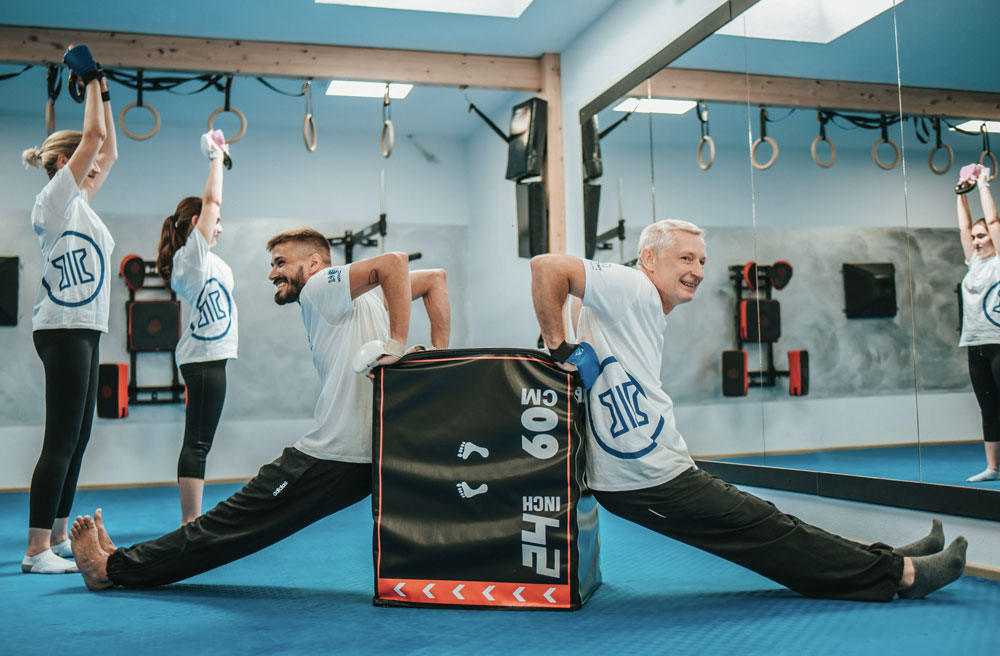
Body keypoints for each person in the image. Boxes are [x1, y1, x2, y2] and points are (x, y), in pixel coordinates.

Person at [529, 219, 967, 601]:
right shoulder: (634, 286)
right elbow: (547, 268)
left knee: (766, 525)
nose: (697, 271)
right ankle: (901, 576)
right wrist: (560, 347)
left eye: (701, 261)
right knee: (764, 529)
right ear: (649, 258)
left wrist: (568, 343)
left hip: (649, 467)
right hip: (643, 476)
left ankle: (881, 560)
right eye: (685, 259)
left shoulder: (637, 300)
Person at [69, 228, 450, 590]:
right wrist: (436, 358)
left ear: (314, 263)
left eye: (281, 262)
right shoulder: (367, 297)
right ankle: (123, 560)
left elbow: (395, 262)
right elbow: (436, 280)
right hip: (371, 455)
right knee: (233, 524)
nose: (273, 273)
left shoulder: (321, 286)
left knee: (228, 523)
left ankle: (109, 569)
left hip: (337, 452)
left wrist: (398, 345)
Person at [20, 45, 117, 574]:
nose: (98, 168)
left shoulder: (81, 205)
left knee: (78, 437)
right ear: (65, 164)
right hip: (63, 328)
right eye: (87, 163)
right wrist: (89, 76)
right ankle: (36, 550)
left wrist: (102, 90)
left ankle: (55, 540)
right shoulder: (54, 202)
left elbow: (111, 150)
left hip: (87, 327)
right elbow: (97, 140)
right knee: (61, 436)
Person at [155, 130, 238, 524]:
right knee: (199, 442)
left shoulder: (207, 261)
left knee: (202, 441)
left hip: (211, 359)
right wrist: (216, 157)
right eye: (215, 222)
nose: (219, 227)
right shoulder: (191, 258)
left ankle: (192, 519)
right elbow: (212, 200)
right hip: (204, 360)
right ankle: (191, 521)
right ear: (197, 222)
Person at [956, 164, 1000, 482]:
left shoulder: (999, 259)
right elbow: (963, 228)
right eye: (974, 237)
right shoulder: (973, 262)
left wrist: (983, 184)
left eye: (982, 236)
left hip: (998, 342)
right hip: (975, 343)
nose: (976, 240)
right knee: (988, 406)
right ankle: (993, 468)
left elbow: (994, 221)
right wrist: (961, 195)